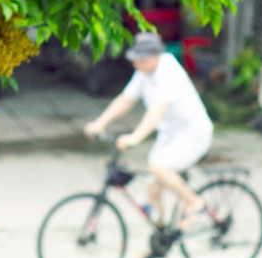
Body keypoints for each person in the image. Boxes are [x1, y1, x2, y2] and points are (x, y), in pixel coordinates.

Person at [83, 32, 214, 246]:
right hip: (169, 134)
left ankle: (195, 203)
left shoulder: (169, 72)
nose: (137, 64)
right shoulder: (144, 73)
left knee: (158, 166)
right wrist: (100, 123)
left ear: (156, 56)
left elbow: (157, 111)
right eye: (136, 60)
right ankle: (161, 238)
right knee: (152, 188)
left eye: (141, 60)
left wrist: (135, 137)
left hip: (193, 134)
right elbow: (125, 100)